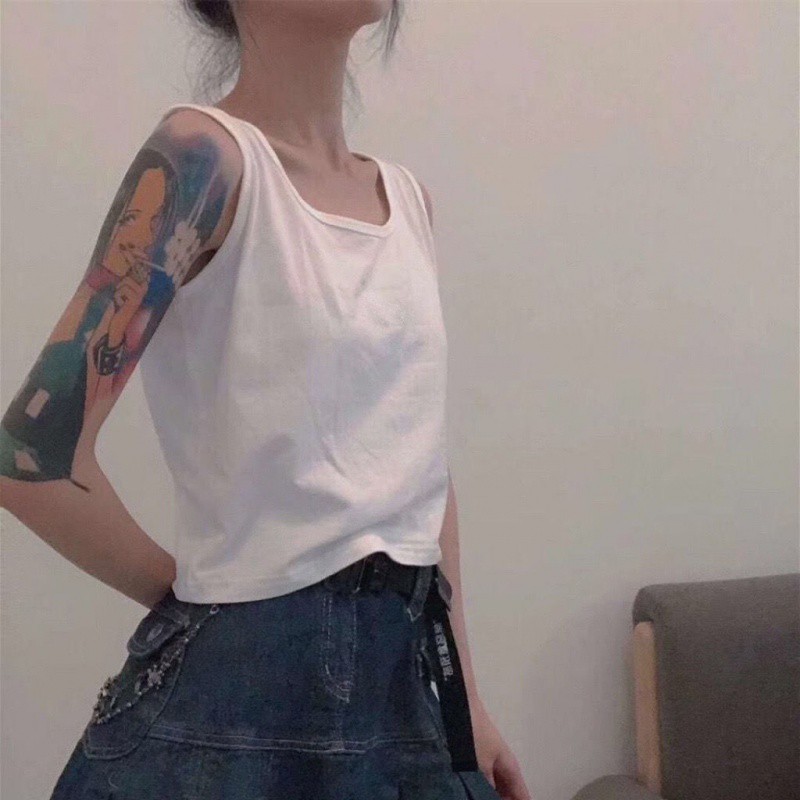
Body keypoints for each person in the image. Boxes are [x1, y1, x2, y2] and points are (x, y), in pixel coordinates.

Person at [1, 2, 530, 798]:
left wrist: (471, 706)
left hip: (412, 687)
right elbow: (28, 457)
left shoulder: (409, 201)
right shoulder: (202, 159)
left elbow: (421, 475)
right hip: (241, 695)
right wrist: (196, 607)